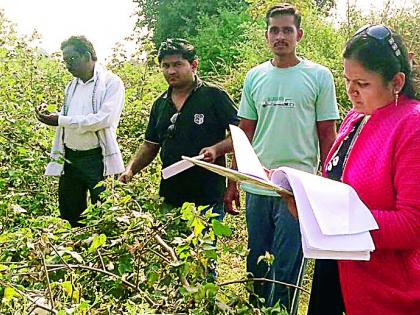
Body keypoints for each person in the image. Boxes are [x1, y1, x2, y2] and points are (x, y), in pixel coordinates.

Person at [223, 3, 339, 312]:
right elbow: (244, 132)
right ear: (266, 36)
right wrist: (233, 181)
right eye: (274, 30)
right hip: (257, 183)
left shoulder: (319, 76)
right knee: (257, 260)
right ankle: (255, 310)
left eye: (287, 30)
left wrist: (330, 184)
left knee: (289, 265)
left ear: (299, 34)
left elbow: (327, 134)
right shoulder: (255, 77)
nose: (280, 36)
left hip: (298, 189)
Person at [307, 25, 420, 315]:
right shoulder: (356, 118)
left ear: (396, 82)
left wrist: (339, 219)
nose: (351, 92)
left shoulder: (412, 126)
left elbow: (413, 224)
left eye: (363, 83)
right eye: (346, 80)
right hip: (337, 269)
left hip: (383, 286)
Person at [119, 38, 238, 221]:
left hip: (208, 198)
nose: (171, 71)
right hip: (171, 197)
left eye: (178, 64)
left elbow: (241, 136)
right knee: (171, 248)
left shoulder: (214, 96)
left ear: (194, 65)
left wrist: (217, 150)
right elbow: (150, 145)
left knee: (203, 249)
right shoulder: (160, 104)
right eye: (165, 66)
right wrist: (130, 170)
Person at [35, 35, 125, 227]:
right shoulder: (72, 86)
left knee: (102, 215)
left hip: (96, 159)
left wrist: (61, 120)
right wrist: (53, 116)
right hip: (70, 159)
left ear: (87, 55)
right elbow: (73, 117)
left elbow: (103, 119)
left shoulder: (111, 82)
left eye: (72, 59)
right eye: (65, 61)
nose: (68, 66)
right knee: (70, 214)